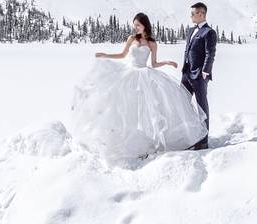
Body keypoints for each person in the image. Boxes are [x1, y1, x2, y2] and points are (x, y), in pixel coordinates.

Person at [70, 12, 208, 161]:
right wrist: (106, 55)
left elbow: (154, 64)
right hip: (129, 74)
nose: (135, 28)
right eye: (134, 25)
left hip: (145, 75)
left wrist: (167, 62)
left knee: (147, 110)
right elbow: (122, 55)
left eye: (138, 25)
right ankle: (125, 140)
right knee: (125, 107)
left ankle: (148, 141)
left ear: (145, 25)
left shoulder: (152, 43)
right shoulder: (131, 38)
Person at [182, 1, 216, 150]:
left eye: (193, 13)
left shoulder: (209, 32)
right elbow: (187, 50)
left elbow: (210, 53)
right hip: (186, 73)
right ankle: (188, 136)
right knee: (181, 103)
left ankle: (203, 140)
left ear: (201, 14)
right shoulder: (191, 30)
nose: (190, 16)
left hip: (199, 75)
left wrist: (205, 72)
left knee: (202, 107)